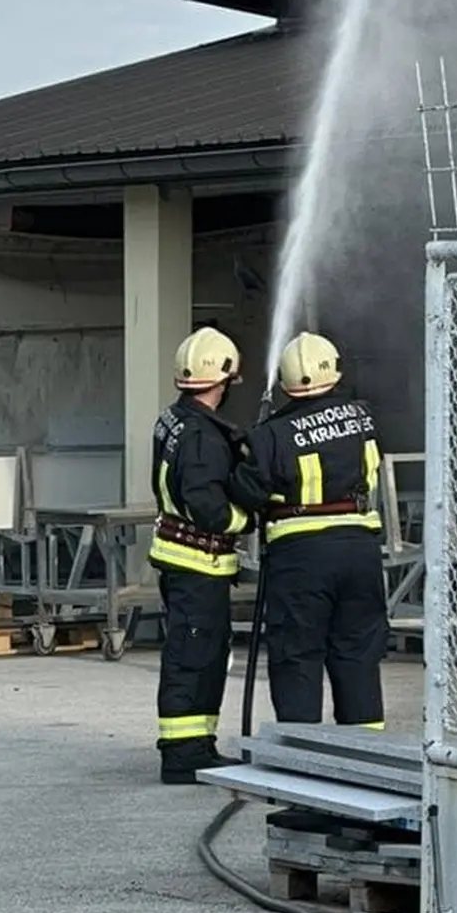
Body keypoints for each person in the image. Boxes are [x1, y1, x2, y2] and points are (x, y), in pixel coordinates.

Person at [241, 332, 389, 729]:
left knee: (297, 655)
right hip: (360, 548)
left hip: (301, 555)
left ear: (287, 381)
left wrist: (253, 447)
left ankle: (300, 756)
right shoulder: (364, 416)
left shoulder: (272, 433)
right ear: (335, 370)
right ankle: (365, 754)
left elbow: (248, 490)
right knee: (358, 652)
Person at [149, 326, 260, 785]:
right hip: (197, 562)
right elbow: (208, 508)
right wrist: (247, 518)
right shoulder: (200, 436)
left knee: (199, 653)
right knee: (194, 657)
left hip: (183, 560)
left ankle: (196, 746)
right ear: (223, 379)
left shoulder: (174, 419)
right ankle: (185, 754)